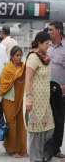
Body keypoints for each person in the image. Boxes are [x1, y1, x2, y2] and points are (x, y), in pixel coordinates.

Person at [24, 31, 54, 162]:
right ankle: (35, 158)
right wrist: (29, 99)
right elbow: (28, 79)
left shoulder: (45, 57)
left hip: (45, 100)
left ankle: (41, 155)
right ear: (39, 43)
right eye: (47, 43)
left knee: (48, 129)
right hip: (35, 100)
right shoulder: (33, 57)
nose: (49, 45)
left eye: (50, 43)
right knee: (36, 132)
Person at [0, 46, 27, 158]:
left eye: (20, 55)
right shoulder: (7, 69)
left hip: (19, 100)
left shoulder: (23, 68)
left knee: (20, 125)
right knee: (11, 125)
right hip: (8, 101)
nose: (19, 58)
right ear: (12, 56)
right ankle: (12, 149)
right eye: (16, 55)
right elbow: (2, 87)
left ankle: (22, 149)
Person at [45, 21, 65, 159]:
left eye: (51, 30)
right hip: (47, 90)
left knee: (59, 120)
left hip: (61, 91)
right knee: (48, 120)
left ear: (58, 31)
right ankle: (52, 148)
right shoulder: (48, 47)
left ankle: (53, 149)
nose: (49, 32)